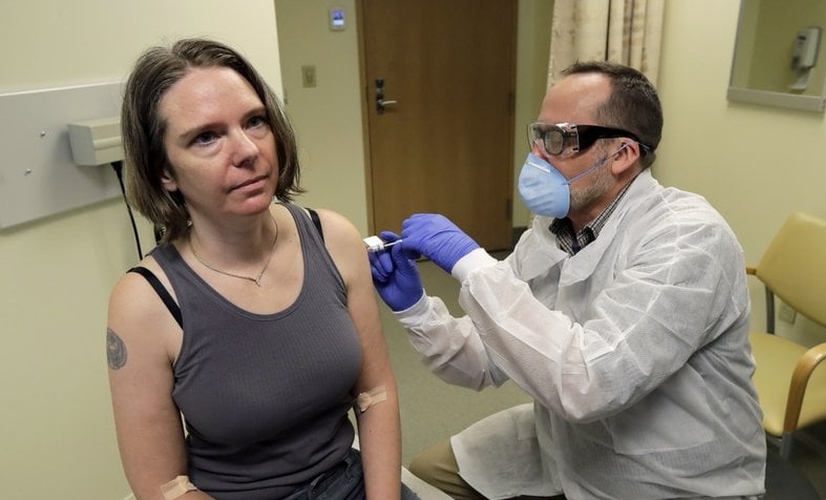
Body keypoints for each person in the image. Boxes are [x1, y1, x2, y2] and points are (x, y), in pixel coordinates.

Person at [369, 61, 766, 500]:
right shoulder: (552, 228)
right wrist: (417, 309)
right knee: (425, 474)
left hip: (666, 474)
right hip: (565, 444)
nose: (536, 155)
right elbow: (484, 359)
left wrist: (472, 264)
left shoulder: (687, 238)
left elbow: (589, 384)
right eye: (538, 135)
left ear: (622, 154)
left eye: (558, 139)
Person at [106, 38, 415, 500]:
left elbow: (375, 394)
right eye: (206, 137)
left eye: (255, 121)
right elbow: (164, 487)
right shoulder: (145, 302)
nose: (248, 149)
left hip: (351, 483)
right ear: (163, 171)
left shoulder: (333, 238)